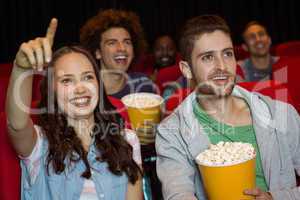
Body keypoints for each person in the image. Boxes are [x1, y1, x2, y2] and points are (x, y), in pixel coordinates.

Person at [156, 15, 300, 200]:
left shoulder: (281, 113)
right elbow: (178, 194)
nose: (222, 66)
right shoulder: (171, 132)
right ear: (186, 69)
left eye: (227, 54)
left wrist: (275, 198)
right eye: (208, 57)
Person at [6, 18, 143, 199]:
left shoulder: (127, 140)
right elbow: (17, 124)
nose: (80, 88)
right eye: (67, 80)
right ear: (51, 92)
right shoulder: (39, 145)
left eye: (87, 77)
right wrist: (21, 67)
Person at [80, 9, 156, 99]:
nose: (122, 48)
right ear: (98, 53)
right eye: (112, 42)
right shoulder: (84, 92)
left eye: (127, 42)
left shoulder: (143, 84)